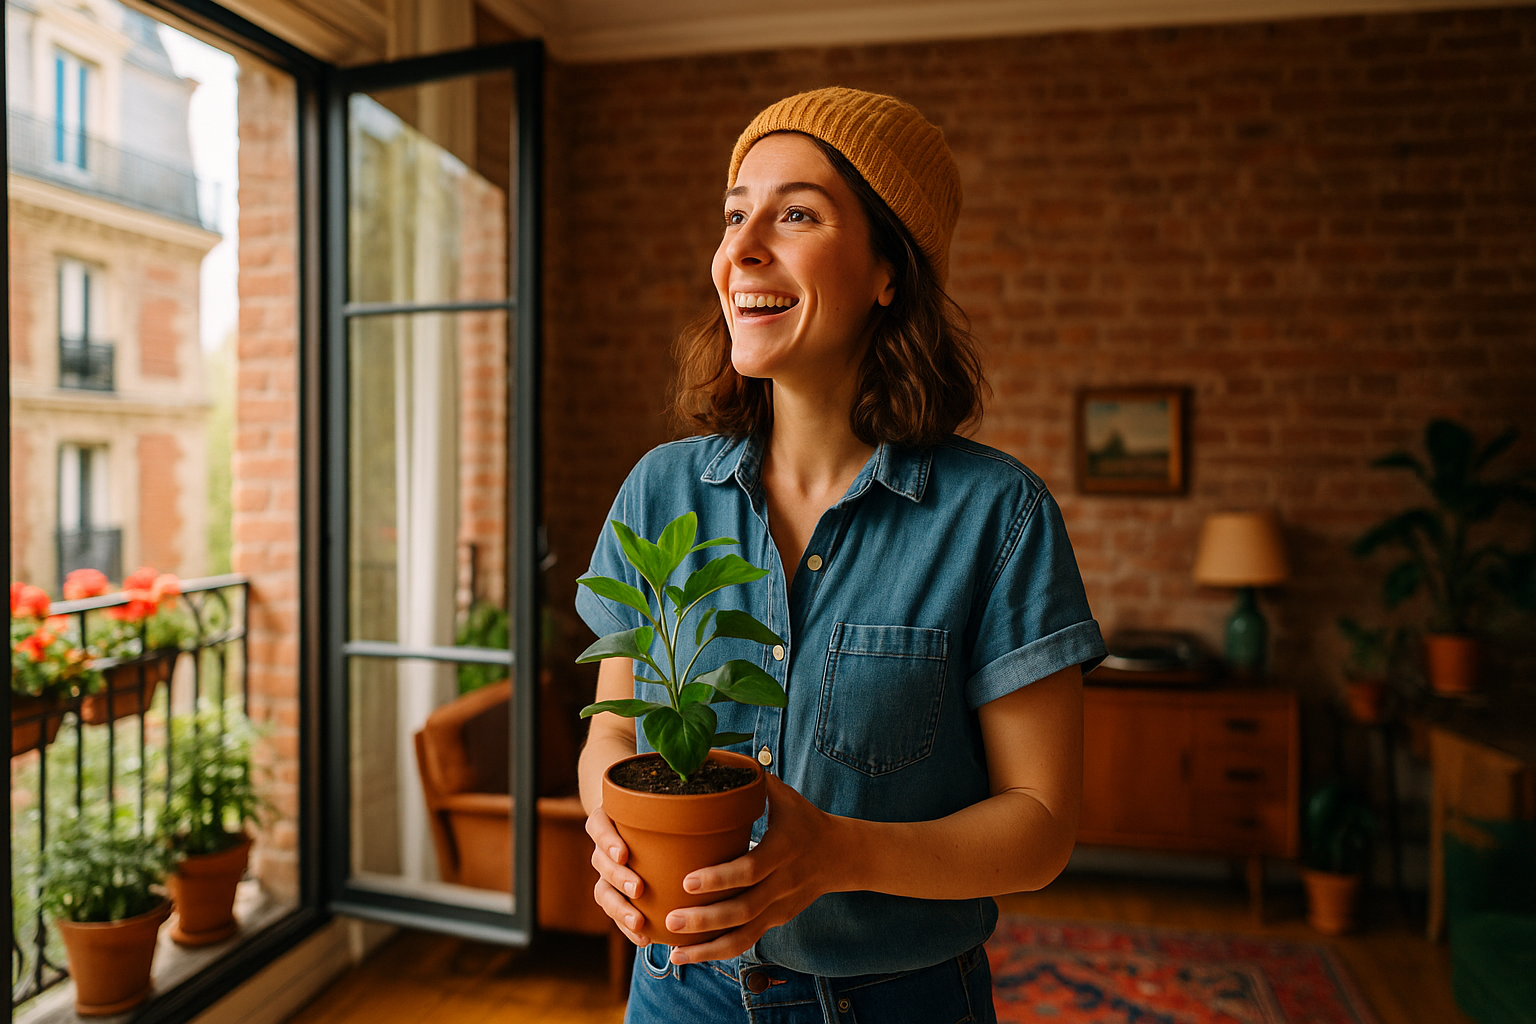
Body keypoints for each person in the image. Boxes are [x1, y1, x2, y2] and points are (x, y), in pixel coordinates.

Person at [576, 86, 1106, 1024]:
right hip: (677, 994)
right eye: (736, 212)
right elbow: (615, 734)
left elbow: (1040, 826)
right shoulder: (661, 492)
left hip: (901, 1003)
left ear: (888, 271)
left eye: (797, 214)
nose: (741, 246)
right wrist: (610, 835)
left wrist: (841, 854)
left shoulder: (997, 514)